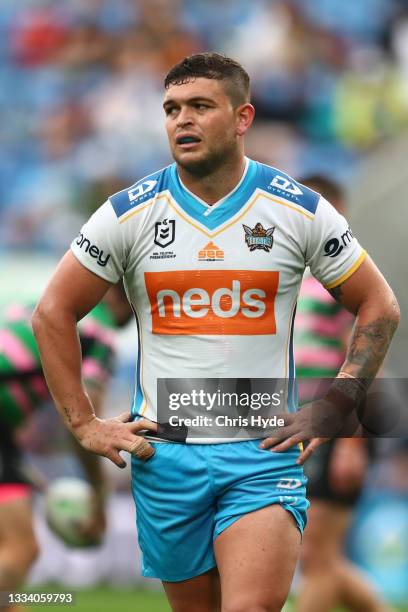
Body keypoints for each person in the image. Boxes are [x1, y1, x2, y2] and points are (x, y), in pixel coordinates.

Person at [32, 53, 400, 612]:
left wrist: (340, 402)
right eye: (172, 109)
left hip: (262, 449)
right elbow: (52, 312)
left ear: (242, 117)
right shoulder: (127, 213)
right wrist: (83, 423)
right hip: (166, 456)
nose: (183, 120)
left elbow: (379, 305)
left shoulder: (297, 208)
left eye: (201, 106)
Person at [0, 283, 132, 611]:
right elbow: (85, 420)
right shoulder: (95, 334)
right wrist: (99, 493)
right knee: (21, 549)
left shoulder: (34, 308)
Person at [294, 176, 391, 612]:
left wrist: (353, 442)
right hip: (302, 427)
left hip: (337, 432)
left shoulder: (344, 281)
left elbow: (368, 359)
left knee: (317, 556)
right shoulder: (294, 279)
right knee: (319, 557)